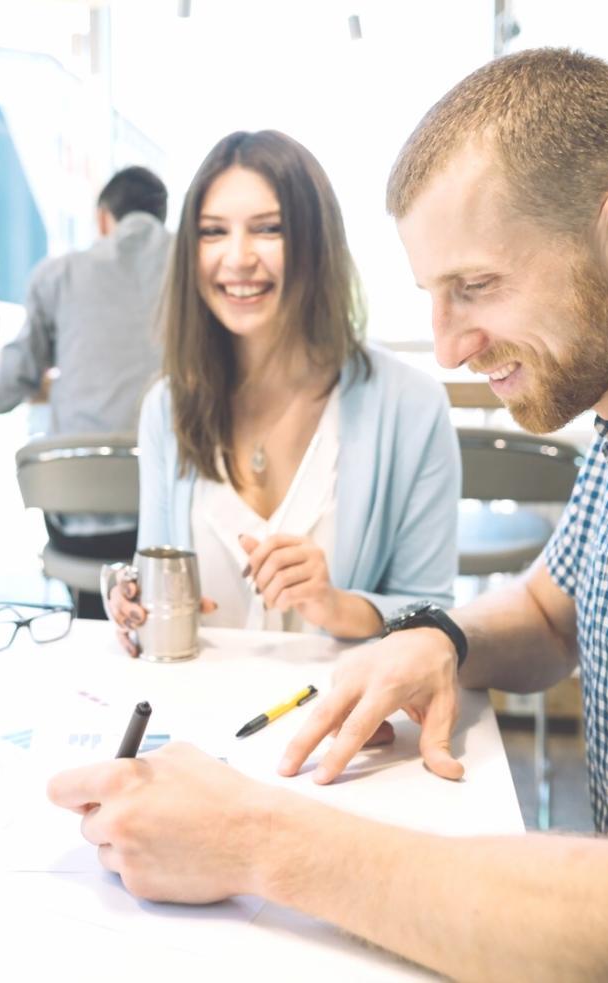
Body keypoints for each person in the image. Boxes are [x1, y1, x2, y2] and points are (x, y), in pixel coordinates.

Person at [48, 49, 608, 979]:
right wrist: (442, 639)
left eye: (474, 288)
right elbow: (552, 614)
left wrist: (260, 838)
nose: (450, 347)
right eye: (432, 298)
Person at [105, 130, 460, 654]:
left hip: (341, 721)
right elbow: (153, 570)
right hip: (195, 714)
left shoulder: (411, 406)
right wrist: (133, 599)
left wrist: (336, 605)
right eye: (212, 232)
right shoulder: (168, 407)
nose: (238, 257)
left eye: (268, 229)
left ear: (316, 244)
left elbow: (434, 616)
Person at [0, 166, 173, 619]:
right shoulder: (196, 268)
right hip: (177, 526)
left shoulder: (59, 275)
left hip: (80, 525)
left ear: (103, 218)